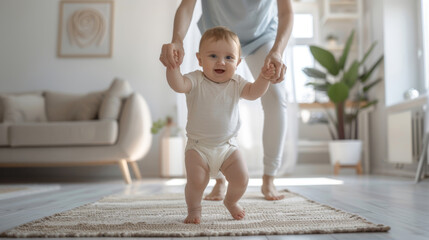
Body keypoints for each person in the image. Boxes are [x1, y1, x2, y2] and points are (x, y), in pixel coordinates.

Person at [160, 0, 293, 201]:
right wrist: (177, 41)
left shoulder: (241, 79)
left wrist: (277, 51)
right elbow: (187, 5)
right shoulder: (195, 78)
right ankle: (219, 180)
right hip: (217, 34)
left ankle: (269, 178)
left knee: (275, 95)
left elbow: (285, 12)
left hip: (262, 34)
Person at [165, 26, 275, 224]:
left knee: (242, 179)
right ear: (199, 59)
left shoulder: (236, 82)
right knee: (197, 182)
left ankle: (231, 201)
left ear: (238, 62)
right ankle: (194, 209)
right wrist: (173, 69)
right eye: (213, 55)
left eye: (229, 58)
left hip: (228, 147)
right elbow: (178, 85)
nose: (221, 62)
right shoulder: (195, 80)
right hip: (198, 147)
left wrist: (264, 78)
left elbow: (253, 92)